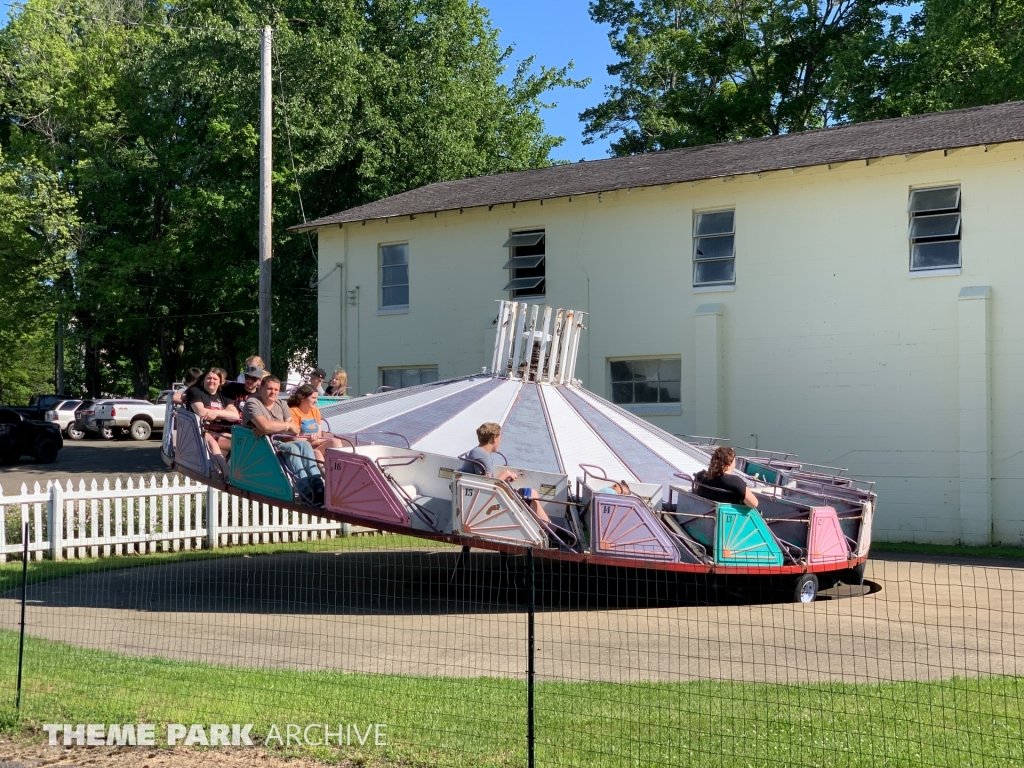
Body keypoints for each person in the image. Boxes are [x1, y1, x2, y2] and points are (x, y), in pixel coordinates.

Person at [242, 375, 323, 499]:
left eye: (276, 389)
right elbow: (266, 426)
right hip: (260, 444)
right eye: (270, 388)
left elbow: (294, 429)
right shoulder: (253, 402)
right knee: (292, 449)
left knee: (305, 444)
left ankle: (317, 482)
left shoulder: (282, 404)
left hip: (279, 441)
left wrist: (270, 428)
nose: (273, 392)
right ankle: (304, 488)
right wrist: (284, 426)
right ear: (261, 387)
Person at [461, 422, 550, 523]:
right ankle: (551, 529)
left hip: (479, 497)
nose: (500, 442)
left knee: (532, 492)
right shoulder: (484, 456)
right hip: (486, 501)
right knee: (531, 496)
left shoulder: (477, 451)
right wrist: (507, 473)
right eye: (500, 439)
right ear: (494, 438)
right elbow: (488, 485)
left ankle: (548, 527)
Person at [185, 368, 241, 476]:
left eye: (215, 379)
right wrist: (224, 412)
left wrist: (215, 413)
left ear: (220, 382)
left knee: (240, 443)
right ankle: (226, 475)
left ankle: (240, 473)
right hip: (200, 430)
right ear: (203, 379)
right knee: (213, 444)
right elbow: (201, 412)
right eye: (209, 378)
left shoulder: (224, 395)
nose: (212, 381)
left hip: (219, 431)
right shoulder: (196, 391)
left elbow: (235, 415)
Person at [286, 383, 346, 461]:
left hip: (314, 445)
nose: (316, 401)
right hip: (301, 449)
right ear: (303, 398)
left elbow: (318, 434)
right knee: (317, 453)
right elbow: (295, 439)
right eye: (313, 398)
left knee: (336, 442)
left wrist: (316, 440)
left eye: (317, 398)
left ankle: (340, 470)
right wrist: (313, 440)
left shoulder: (315, 411)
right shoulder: (293, 412)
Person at [693, 446, 759, 509]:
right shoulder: (735, 481)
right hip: (733, 517)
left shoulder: (705, 479)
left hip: (709, 515)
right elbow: (754, 503)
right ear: (730, 462)